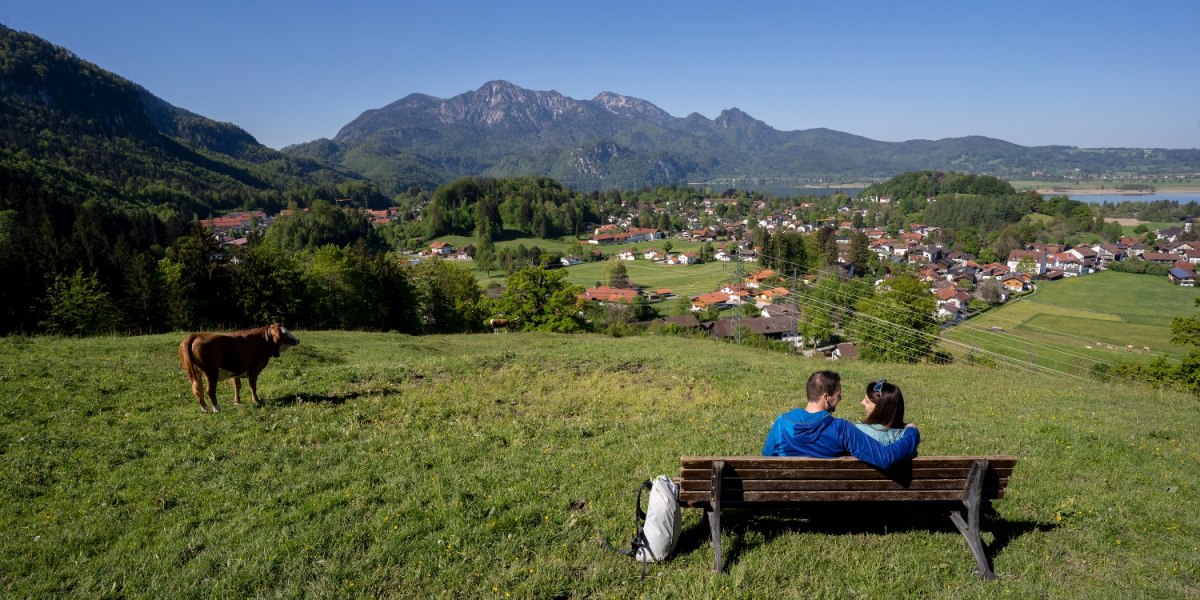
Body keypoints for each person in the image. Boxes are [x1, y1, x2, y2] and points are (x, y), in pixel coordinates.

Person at [761, 370, 918, 469]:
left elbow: (767, 457)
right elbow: (885, 457)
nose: (841, 398)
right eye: (838, 394)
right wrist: (912, 432)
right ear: (826, 398)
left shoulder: (782, 423)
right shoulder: (842, 429)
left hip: (787, 493)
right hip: (829, 497)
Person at [855, 379, 907, 445]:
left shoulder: (860, 432)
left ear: (881, 409)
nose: (862, 402)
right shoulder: (907, 437)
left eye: (867, 401)